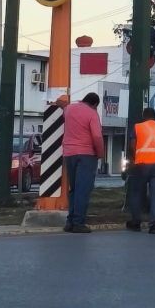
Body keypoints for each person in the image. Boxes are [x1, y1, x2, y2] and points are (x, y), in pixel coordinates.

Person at [62, 92, 104, 234]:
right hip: (86, 155)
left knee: (74, 189)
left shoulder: (69, 109)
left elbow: (63, 109)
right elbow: (97, 136)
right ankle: (78, 223)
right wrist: (100, 153)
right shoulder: (92, 114)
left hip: (69, 154)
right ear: (95, 104)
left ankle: (70, 222)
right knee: (83, 189)